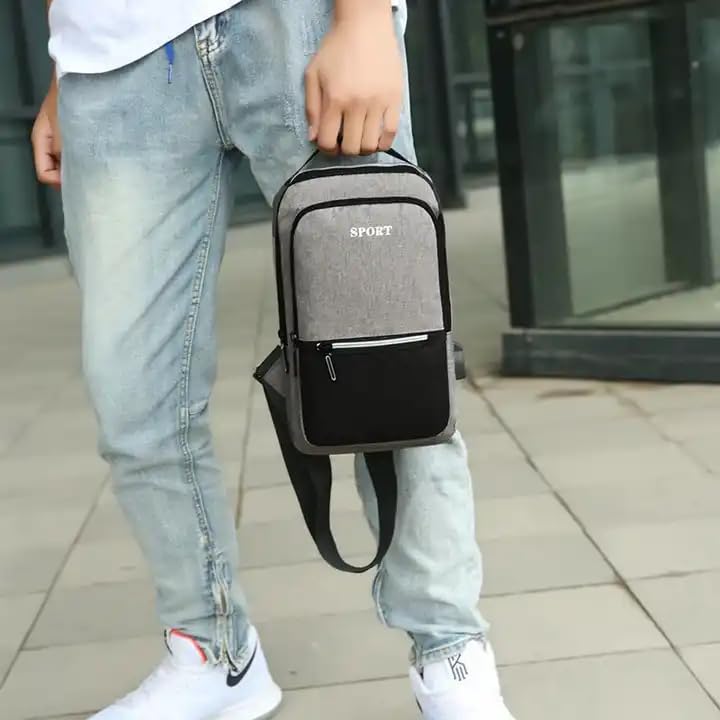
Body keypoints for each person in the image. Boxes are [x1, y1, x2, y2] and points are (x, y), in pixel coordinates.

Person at [31, 1, 516, 718]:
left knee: (392, 363)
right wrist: (61, 66)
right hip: (108, 58)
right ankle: (213, 655)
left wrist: (363, 19)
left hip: (297, 20)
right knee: (133, 399)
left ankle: (451, 654)